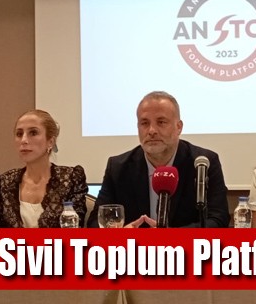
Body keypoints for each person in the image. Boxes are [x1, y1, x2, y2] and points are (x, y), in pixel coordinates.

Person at [87, 91, 229, 228]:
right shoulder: (118, 167)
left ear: (179, 127)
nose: (151, 131)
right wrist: (121, 234)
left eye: (161, 122)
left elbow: (218, 220)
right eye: (144, 123)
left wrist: (171, 237)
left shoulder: (203, 164)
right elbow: (95, 222)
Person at [0, 110, 88, 227]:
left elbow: (75, 228)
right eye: (19, 134)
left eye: (33, 133)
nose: (24, 140)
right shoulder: (4, 182)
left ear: (50, 141)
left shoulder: (71, 179)